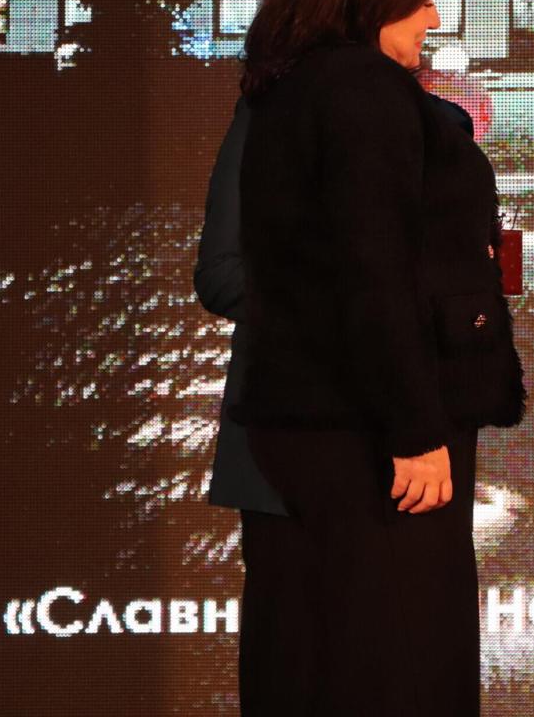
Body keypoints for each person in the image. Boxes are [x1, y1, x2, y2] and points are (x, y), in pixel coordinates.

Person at [235, 0, 525, 717]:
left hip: (309, 429)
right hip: (370, 443)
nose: (434, 16)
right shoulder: (363, 89)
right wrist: (415, 431)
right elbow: (374, 269)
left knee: (311, 658)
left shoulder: (291, 85)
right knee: (399, 665)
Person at [193, 96, 289, 713]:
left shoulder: (432, 118)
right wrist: (352, 301)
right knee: (290, 668)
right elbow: (220, 275)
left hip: (398, 463)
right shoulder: (269, 114)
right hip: (281, 460)